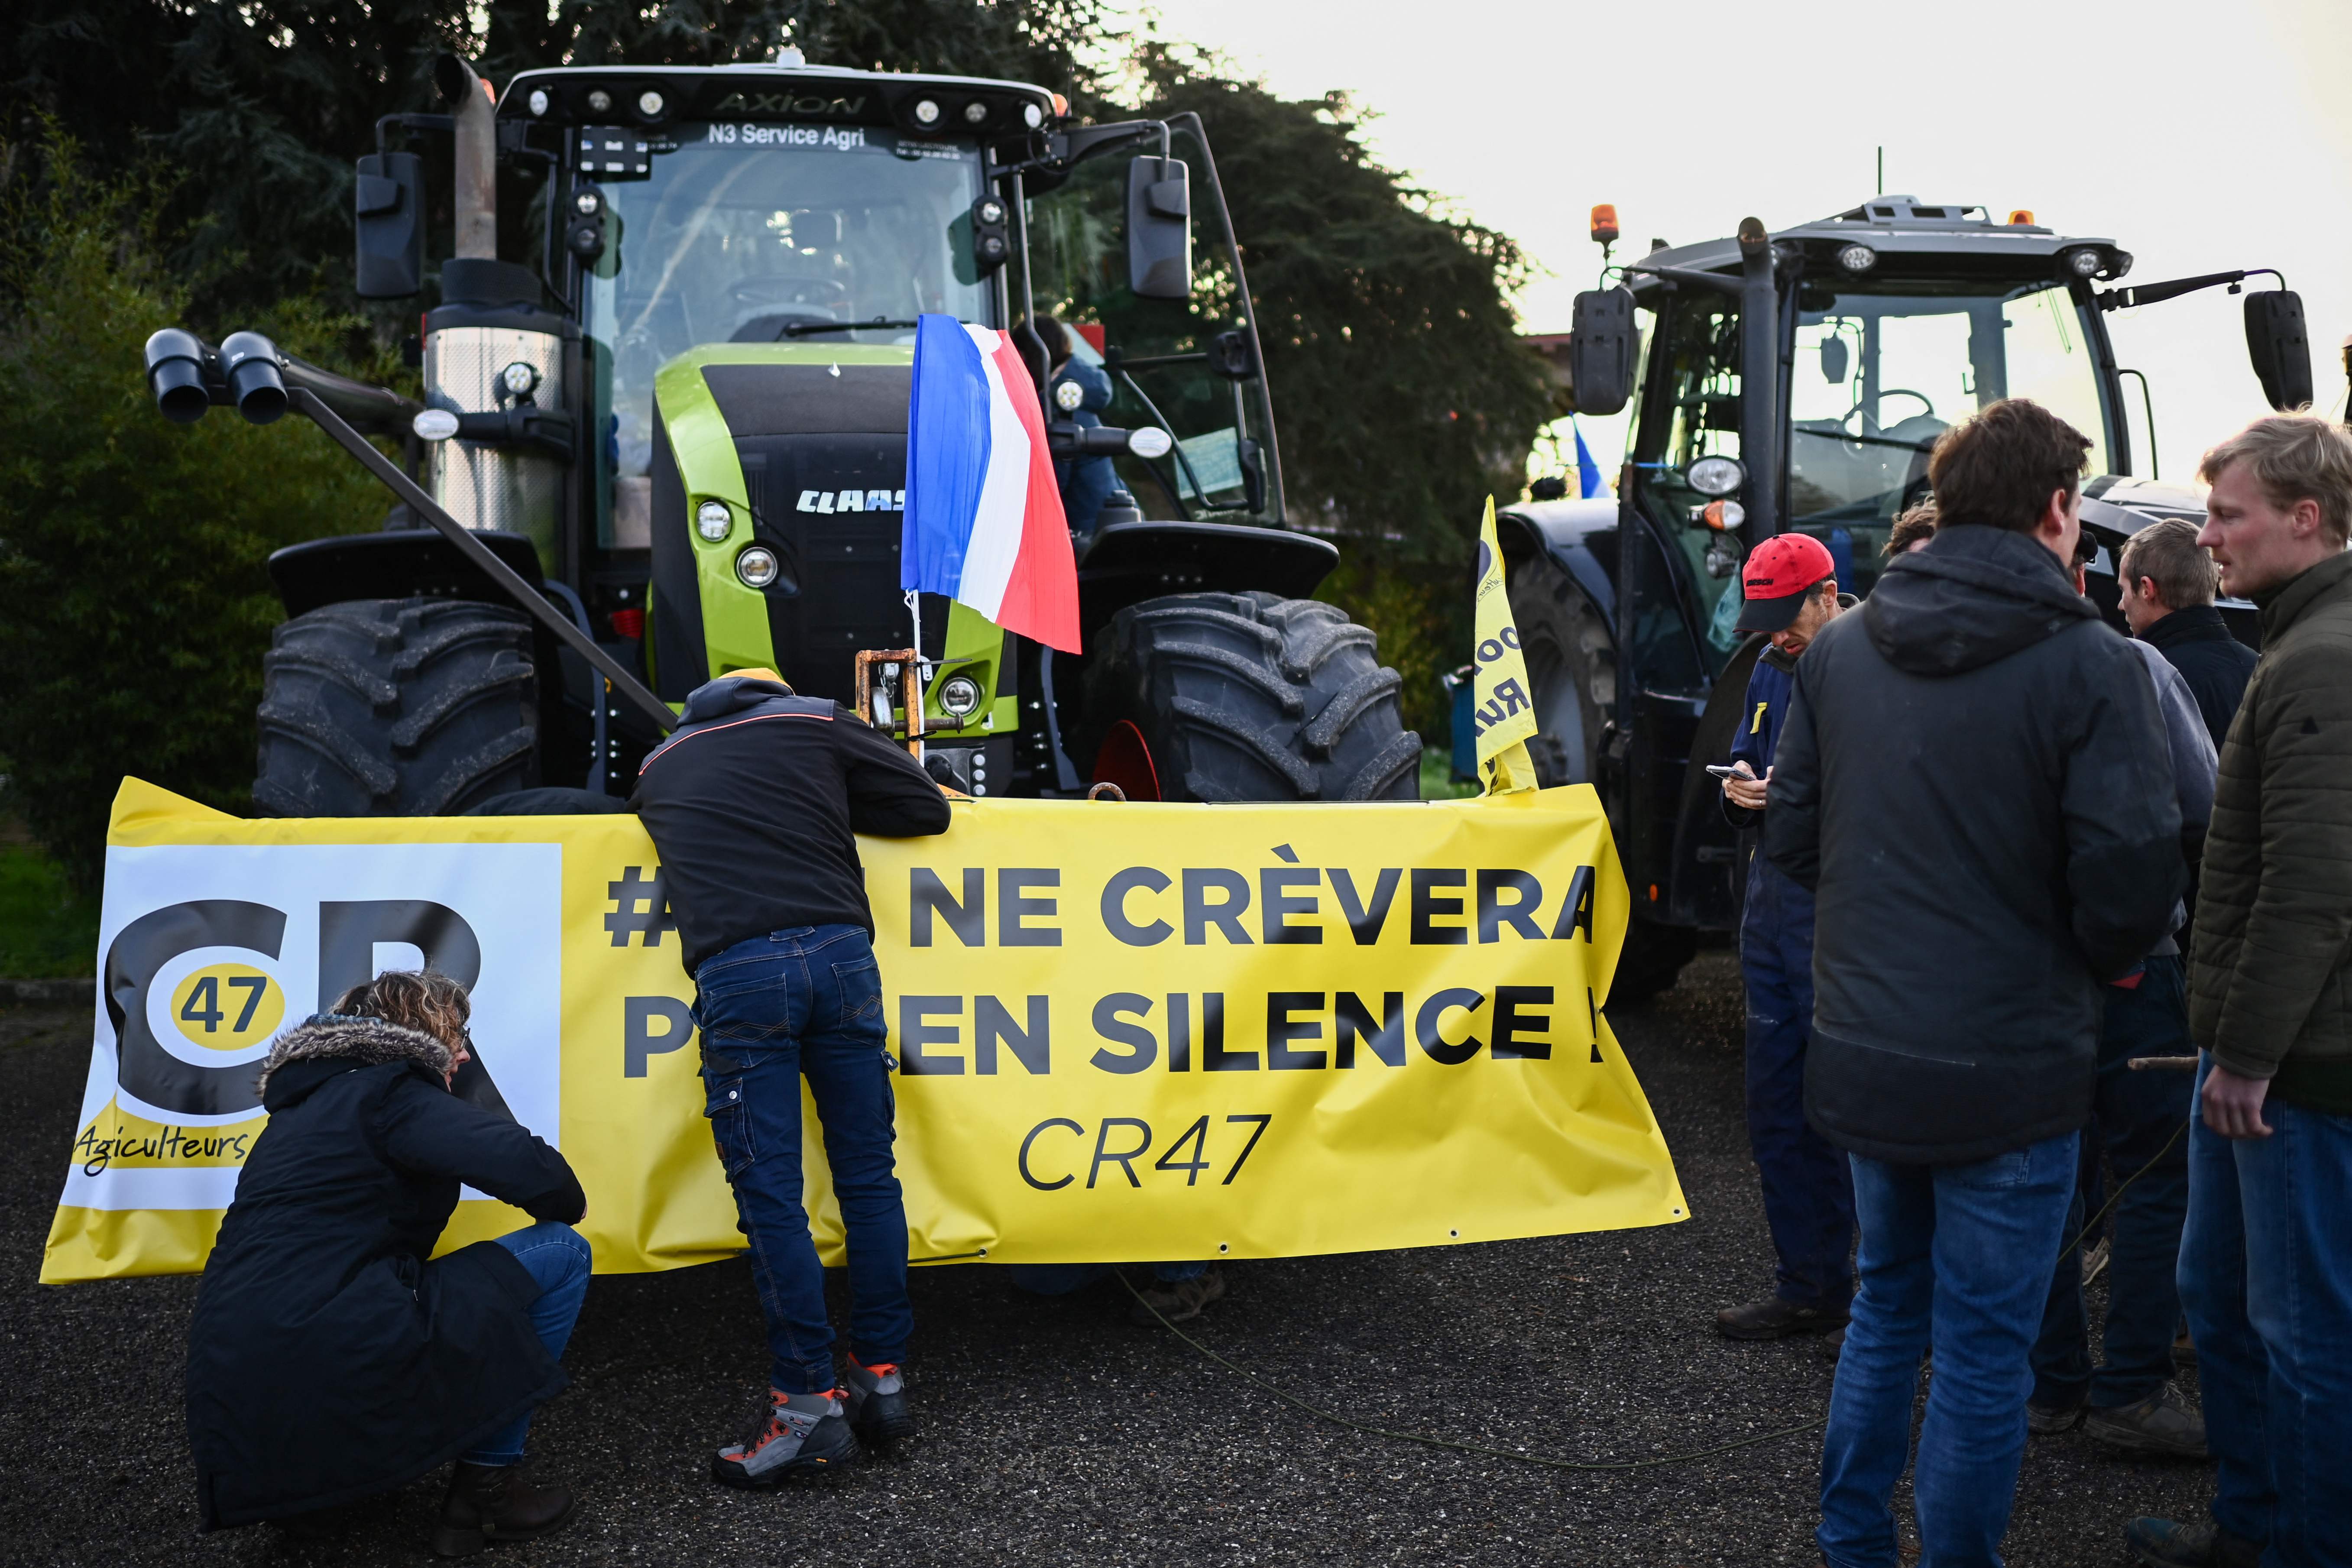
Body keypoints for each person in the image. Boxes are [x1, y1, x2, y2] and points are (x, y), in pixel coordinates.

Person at [1764, 397, 2183, 1568]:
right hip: (2007, 1065)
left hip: (1863, 1052)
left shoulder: (1837, 649)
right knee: (1985, 1346)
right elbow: (2130, 883)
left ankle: (1852, 1546)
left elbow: (1791, 842)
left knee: (1885, 1304)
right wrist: (2095, 956)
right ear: (2057, 510)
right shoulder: (2092, 661)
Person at [628, 666, 952, 1487]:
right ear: (773, 692)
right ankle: (881, 1378)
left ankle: (806, 1404)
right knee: (868, 1176)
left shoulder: (659, 766)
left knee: (773, 1197)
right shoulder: (815, 721)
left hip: (741, 974)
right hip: (844, 960)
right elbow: (927, 807)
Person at [2128, 414, 2352, 1568]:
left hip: (2293, 1071)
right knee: (2214, 1293)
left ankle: (2299, 1545)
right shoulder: (2297, 643)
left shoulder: (2319, 659)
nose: (2205, 536)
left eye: (2227, 514)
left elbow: (2313, 885)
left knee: (2300, 1327)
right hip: (2255, 1057)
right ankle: (2255, 1521)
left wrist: (2249, 1057)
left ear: (2301, 519)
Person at [185, 970, 590, 1554]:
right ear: (427, 1031)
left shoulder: (301, 1108)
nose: (464, 1052)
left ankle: (318, 1493)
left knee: (374, 1286)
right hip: (325, 1343)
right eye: (459, 1034)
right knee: (561, 1251)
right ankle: (487, 1491)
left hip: (233, 1382)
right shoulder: (391, 1093)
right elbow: (547, 1180)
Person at [2025, 534, 2216, 1458]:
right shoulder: (2135, 663)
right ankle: (2132, 1386)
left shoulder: (1942, 671)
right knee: (2153, 1172)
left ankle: (2053, 1384)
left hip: (2024, 975)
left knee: (2041, 1173)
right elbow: (2199, 800)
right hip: (2134, 968)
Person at [1713, 532, 1856, 1342]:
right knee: (1776, 1109)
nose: (1776, 633)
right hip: (1770, 912)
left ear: (1829, 593)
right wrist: (1740, 796)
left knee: (1848, 1111)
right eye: (1761, 617)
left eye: (1786, 614)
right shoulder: (1771, 667)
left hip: (1835, 912)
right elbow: (1743, 764)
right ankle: (1807, 1285)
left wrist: (1794, 804)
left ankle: (1883, 1303)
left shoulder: (1873, 669)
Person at [2120, 517, 2259, 752]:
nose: (2121, 606)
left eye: (2123, 591)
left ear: (2146, 589)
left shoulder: (2145, 680)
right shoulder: (2260, 668)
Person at [1037, 316, 1119, 544]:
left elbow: (1053, 485)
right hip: (1106, 525)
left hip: (1087, 540)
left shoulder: (1055, 406)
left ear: (1037, 352)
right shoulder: (1078, 397)